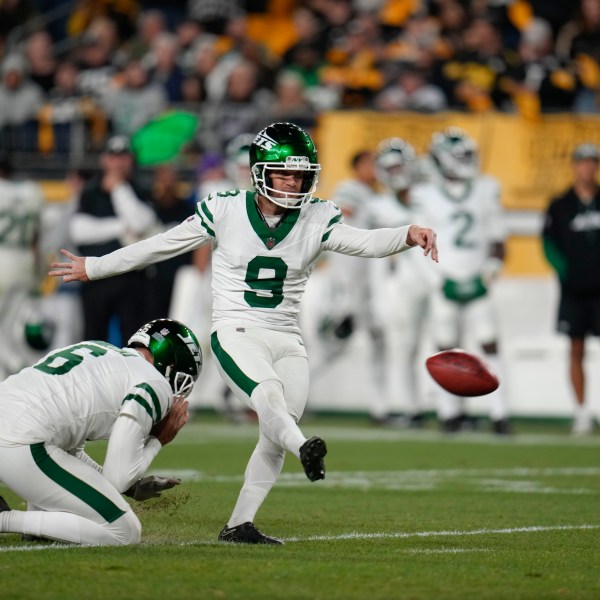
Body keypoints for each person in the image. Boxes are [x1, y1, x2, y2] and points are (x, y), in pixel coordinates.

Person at [50, 122, 438, 545]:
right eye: (283, 173)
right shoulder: (225, 209)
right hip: (237, 329)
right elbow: (160, 244)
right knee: (270, 400)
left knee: (273, 432)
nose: (293, 182)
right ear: (259, 171)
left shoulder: (318, 215)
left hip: (287, 335)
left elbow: (363, 241)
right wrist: (96, 266)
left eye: (299, 173)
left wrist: (407, 234)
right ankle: (305, 445)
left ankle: (239, 523)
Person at [0, 318, 203, 546]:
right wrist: (157, 440)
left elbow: (69, 452)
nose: (177, 395)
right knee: (125, 531)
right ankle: (6, 520)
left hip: (14, 428)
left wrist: (133, 488)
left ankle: (40, 524)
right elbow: (117, 479)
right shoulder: (156, 384)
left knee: (53, 452)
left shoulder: (98, 349)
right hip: (19, 442)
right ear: (171, 367)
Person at [412, 127, 510, 434]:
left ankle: (500, 413)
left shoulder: (485, 188)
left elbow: (498, 238)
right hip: (443, 280)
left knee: (490, 343)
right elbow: (416, 244)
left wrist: (490, 271)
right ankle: (449, 413)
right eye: (460, 156)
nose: (467, 160)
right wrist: (437, 281)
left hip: (478, 280)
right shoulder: (424, 194)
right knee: (445, 348)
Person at [368, 137, 433, 426]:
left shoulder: (429, 195)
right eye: (390, 168)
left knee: (440, 344)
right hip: (403, 283)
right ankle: (412, 406)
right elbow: (374, 254)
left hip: (435, 279)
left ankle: (450, 410)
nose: (396, 173)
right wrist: (379, 295)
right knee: (405, 347)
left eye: (399, 167)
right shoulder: (378, 205)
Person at [69, 135, 158, 345]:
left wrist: (119, 189)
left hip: (132, 277)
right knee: (91, 341)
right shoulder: (91, 190)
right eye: (113, 157)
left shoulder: (140, 188)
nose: (118, 163)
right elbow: (78, 231)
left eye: (123, 157)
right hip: (94, 276)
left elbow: (139, 223)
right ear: (104, 160)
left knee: (135, 341)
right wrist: (120, 227)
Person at [542, 142, 600, 435]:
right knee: (575, 349)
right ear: (575, 166)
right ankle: (581, 412)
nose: (587, 167)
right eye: (582, 162)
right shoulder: (560, 204)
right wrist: (568, 272)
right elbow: (548, 244)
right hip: (575, 290)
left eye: (592, 162)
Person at [0, 150, 45, 380]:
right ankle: (19, 371)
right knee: (15, 329)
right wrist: (37, 273)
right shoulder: (31, 191)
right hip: (25, 263)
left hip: (2, 260)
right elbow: (36, 238)